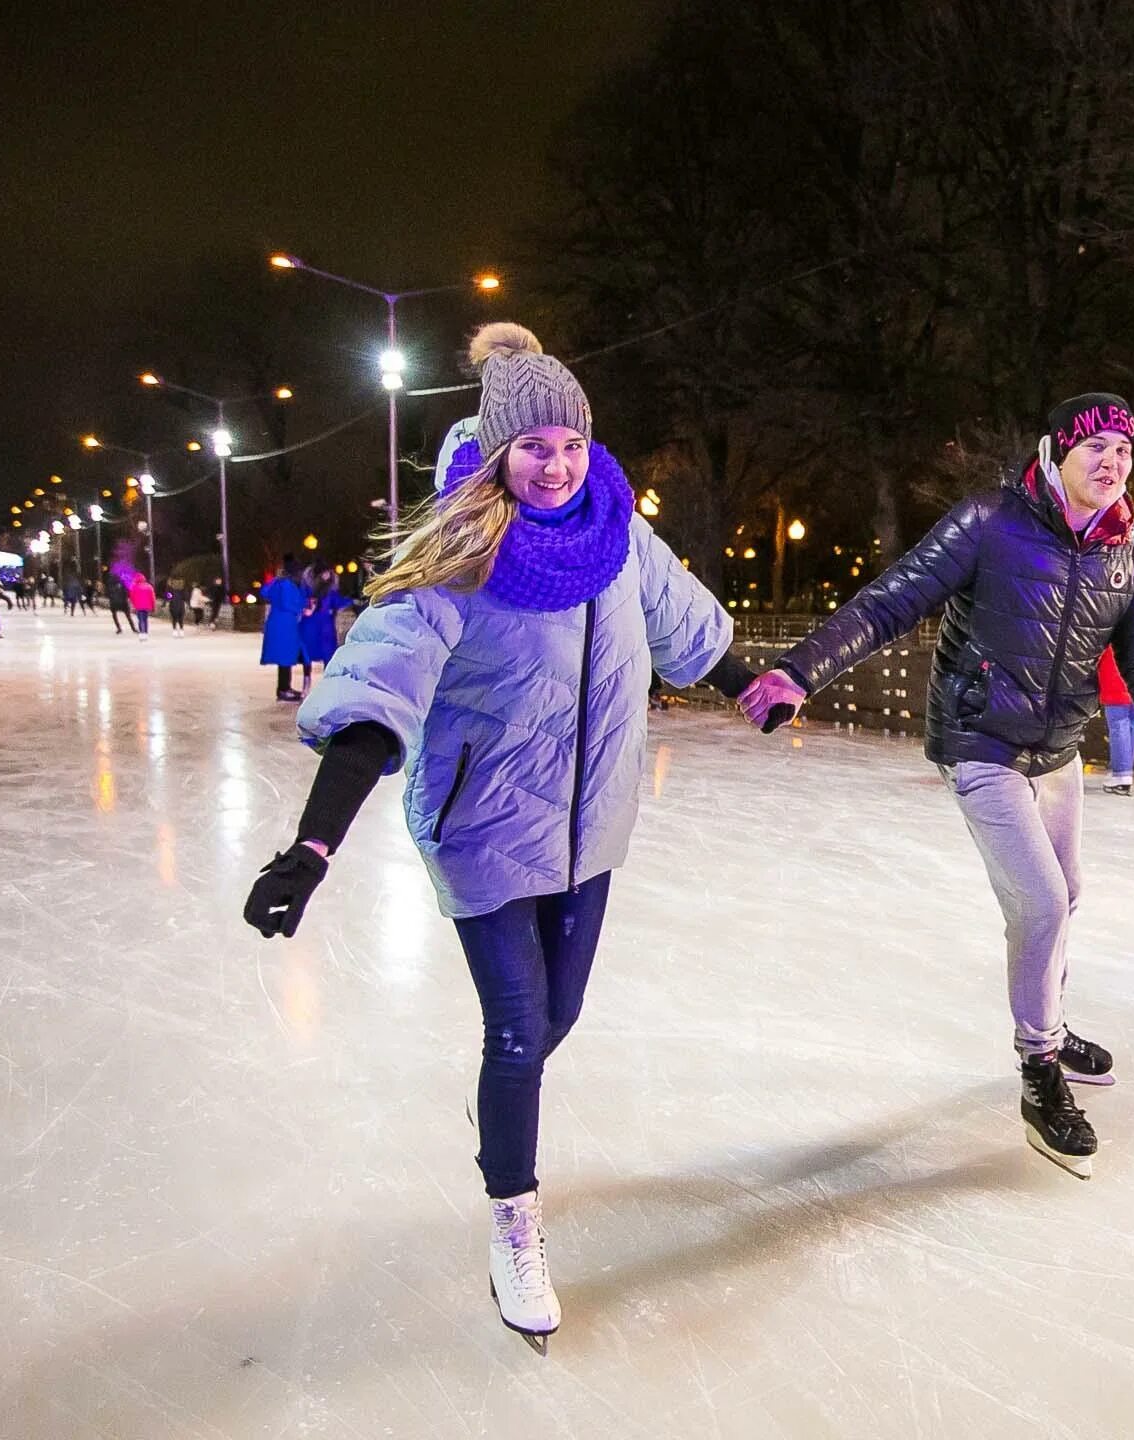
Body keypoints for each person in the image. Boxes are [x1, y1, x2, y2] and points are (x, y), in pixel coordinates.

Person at [241, 323, 763, 1350]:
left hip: (592, 824)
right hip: (482, 825)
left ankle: (502, 1115)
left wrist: (758, 689)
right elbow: (375, 692)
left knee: (554, 1019)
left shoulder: (619, 534)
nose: (557, 464)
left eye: (570, 442)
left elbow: (690, 627)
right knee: (519, 1031)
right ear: (498, 454)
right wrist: (314, 846)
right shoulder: (457, 552)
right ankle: (514, 1219)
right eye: (535, 447)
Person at [740, 392, 1134, 1180]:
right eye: (1096, 448)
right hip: (982, 741)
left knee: (1069, 890)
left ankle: (1051, 1027)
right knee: (1042, 901)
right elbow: (892, 601)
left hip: (1056, 750)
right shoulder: (991, 519)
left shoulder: (1131, 549)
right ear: (1058, 451)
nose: (1112, 463)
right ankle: (1038, 1073)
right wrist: (799, 670)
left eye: (1125, 452)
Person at [258, 568, 308, 701]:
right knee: (286, 656)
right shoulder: (288, 585)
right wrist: (302, 609)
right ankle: (284, 689)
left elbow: (264, 592)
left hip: (277, 623)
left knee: (284, 658)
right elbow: (289, 603)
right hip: (286, 624)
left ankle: (284, 687)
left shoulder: (276, 584)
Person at [1096, 645, 1134, 796]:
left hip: (1115, 682)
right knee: (1131, 727)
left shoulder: (1109, 628)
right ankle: (1125, 771)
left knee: (1119, 727)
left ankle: (1121, 774)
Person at [298, 567, 345, 682]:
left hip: (323, 628)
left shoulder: (330, 591)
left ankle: (324, 681)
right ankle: (308, 681)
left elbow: (338, 602)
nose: (327, 576)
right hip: (316, 627)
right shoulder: (310, 591)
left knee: (326, 655)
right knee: (311, 655)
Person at [128, 571, 156, 639]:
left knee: (140, 620)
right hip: (147, 606)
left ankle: (142, 633)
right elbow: (152, 598)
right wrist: (153, 607)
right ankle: (145, 633)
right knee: (145, 619)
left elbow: (131, 597)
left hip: (138, 606)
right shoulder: (149, 587)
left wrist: (133, 605)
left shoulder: (134, 587)